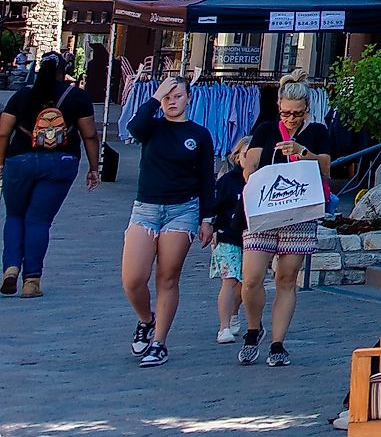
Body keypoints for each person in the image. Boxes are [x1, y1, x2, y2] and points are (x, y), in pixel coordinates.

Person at [239, 78, 333, 367]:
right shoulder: (266, 129)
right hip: (266, 209)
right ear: (278, 106)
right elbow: (250, 166)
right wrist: (252, 176)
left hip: (299, 212)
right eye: (286, 113)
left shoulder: (317, 131)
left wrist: (302, 152)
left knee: (286, 277)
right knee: (252, 276)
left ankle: (278, 342)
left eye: (297, 113)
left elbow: (327, 168)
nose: (290, 119)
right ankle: (254, 328)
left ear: (307, 109)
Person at [122, 76, 216, 367]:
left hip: (182, 210)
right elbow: (133, 128)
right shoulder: (152, 126)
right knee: (133, 278)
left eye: (178, 96)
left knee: (167, 276)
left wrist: (207, 218)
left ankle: (159, 341)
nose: (172, 101)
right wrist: (154, 97)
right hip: (146, 208)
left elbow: (205, 178)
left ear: (189, 97)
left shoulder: (199, 135)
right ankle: (145, 319)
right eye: (167, 96)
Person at [0, 50, 100, 297]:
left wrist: (1, 163)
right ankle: (31, 282)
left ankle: (11, 268)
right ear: (64, 70)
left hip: (19, 160)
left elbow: (3, 132)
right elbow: (89, 135)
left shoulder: (22, 95)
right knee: (39, 220)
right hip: (60, 162)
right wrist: (94, 167)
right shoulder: (77, 96)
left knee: (14, 216)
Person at [211, 137, 260, 344]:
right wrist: (213, 229)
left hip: (252, 239)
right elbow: (215, 207)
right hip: (228, 237)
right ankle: (223, 327)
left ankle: (234, 314)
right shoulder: (227, 181)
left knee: (245, 284)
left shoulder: (260, 180)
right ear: (237, 157)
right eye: (244, 155)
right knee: (229, 281)